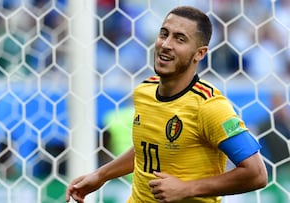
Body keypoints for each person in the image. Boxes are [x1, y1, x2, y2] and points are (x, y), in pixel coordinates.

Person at [66, 6, 268, 203]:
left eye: (180, 39)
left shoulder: (210, 107)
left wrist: (187, 189)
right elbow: (147, 148)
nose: (166, 44)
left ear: (200, 53)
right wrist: (101, 175)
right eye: (164, 34)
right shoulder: (144, 91)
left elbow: (257, 174)